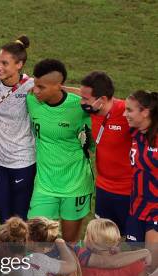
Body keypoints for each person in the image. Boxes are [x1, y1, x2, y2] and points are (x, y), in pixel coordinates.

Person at [26, 59, 93, 243]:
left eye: (41, 87)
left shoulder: (80, 108)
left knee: (70, 245)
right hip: (44, 186)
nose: (36, 91)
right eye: (35, 85)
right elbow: (3, 74)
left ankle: (72, 272)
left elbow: (91, 144)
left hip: (75, 185)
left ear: (59, 86)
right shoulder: (31, 99)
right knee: (34, 241)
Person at [0, 36, 36, 224]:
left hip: (22, 162)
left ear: (19, 64)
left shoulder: (31, 87)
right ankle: (7, 254)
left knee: (20, 219)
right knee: (4, 218)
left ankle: (22, 254)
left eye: (5, 63)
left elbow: (59, 91)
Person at [78, 72, 132, 234]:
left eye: (85, 99)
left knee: (134, 244)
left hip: (129, 192)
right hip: (103, 189)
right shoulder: (94, 111)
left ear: (101, 99)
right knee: (102, 240)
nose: (81, 102)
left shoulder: (126, 112)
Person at [124, 90, 157, 244]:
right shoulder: (135, 133)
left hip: (155, 211)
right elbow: (103, 100)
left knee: (151, 262)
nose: (125, 114)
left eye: (129, 110)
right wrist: (62, 88)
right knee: (136, 263)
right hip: (136, 209)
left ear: (145, 112)